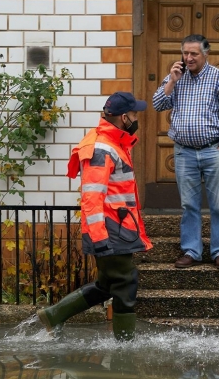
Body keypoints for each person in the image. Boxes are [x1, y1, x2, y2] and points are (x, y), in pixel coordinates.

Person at [37, 91, 153, 341]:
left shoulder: (113, 143)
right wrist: (100, 240)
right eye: (134, 114)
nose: (136, 118)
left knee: (107, 285)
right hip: (112, 229)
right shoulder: (102, 148)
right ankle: (125, 345)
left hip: (118, 226)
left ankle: (54, 314)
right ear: (124, 117)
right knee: (125, 282)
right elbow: (92, 197)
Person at [152, 34, 219, 270]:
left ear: (205, 54)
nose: (188, 58)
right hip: (184, 153)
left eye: (194, 54)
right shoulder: (176, 77)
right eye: (185, 53)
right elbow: (158, 104)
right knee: (189, 205)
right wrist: (171, 81)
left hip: (213, 151)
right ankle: (192, 250)